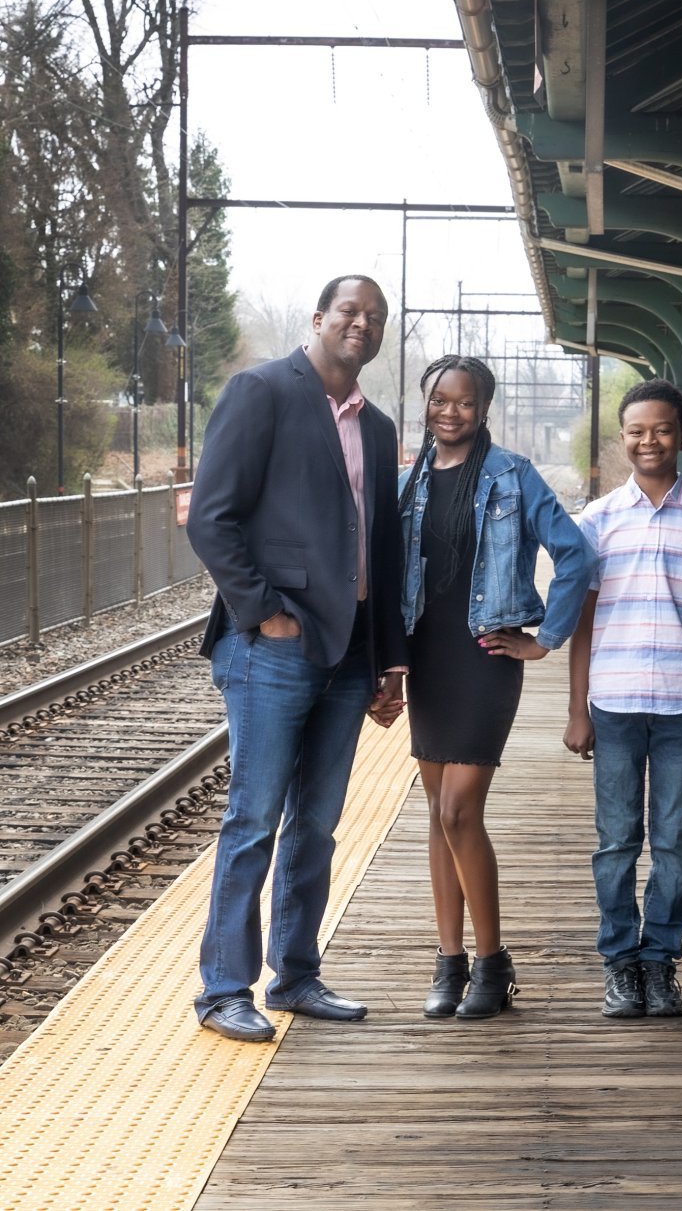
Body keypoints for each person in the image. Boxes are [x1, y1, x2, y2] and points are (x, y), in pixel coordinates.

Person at [187, 274, 409, 1043]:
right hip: (273, 649)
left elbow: (382, 548)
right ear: (319, 317)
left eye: (375, 316)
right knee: (253, 818)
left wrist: (390, 658)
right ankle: (224, 989)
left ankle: (296, 974)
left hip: (351, 653)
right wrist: (266, 612)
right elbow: (211, 519)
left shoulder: (376, 427)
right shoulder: (262, 392)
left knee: (316, 822)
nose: (362, 323)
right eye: (350, 310)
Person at [399, 354, 596, 1020]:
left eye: (464, 402)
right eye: (439, 400)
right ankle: (449, 960)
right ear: (425, 404)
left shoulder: (512, 474)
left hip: (485, 655)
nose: (449, 412)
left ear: (484, 408)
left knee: (459, 810)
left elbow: (575, 553)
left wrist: (545, 638)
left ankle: (492, 962)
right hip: (428, 658)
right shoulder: (408, 482)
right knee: (437, 812)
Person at [564, 378, 682, 1019]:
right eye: (637, 431)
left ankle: (659, 962)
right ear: (623, 438)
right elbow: (584, 624)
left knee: (674, 840)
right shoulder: (596, 521)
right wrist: (577, 711)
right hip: (613, 703)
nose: (649, 441)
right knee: (616, 840)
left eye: (662, 430)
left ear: (681, 435)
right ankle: (620, 964)